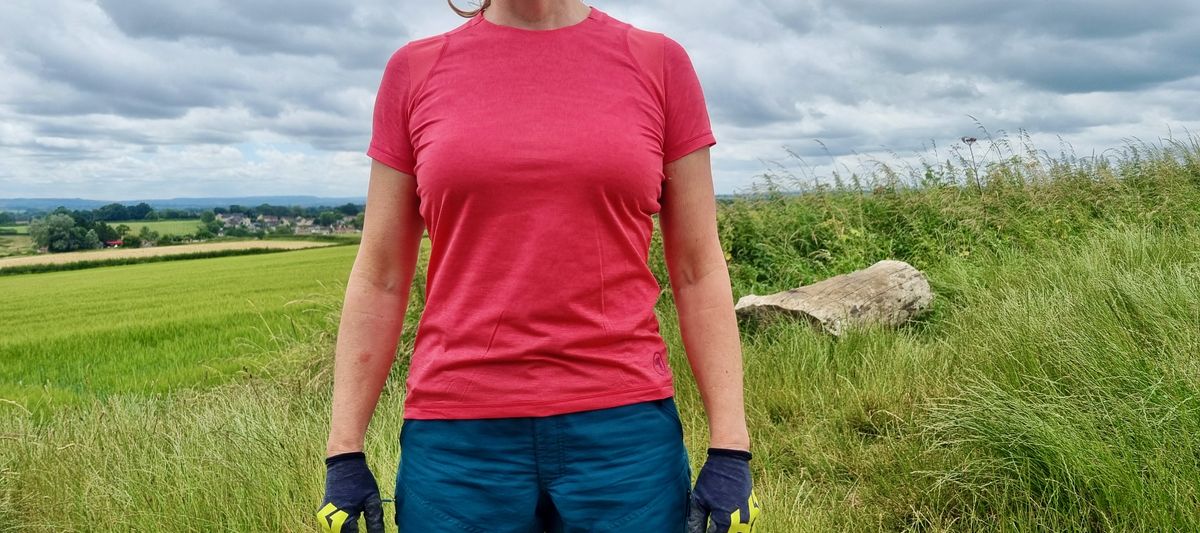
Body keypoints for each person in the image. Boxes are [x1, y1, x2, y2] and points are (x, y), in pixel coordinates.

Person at [316, 0, 761, 531]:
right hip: (459, 443)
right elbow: (382, 274)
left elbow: (698, 268)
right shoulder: (415, 70)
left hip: (623, 437)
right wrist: (344, 451)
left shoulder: (658, 63)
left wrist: (731, 447)